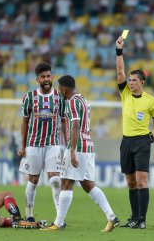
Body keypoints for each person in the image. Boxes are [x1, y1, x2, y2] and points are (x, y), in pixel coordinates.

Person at [42, 75, 119, 232]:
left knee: (66, 182)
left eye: (59, 88)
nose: (59, 91)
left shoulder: (71, 102)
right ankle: (111, 217)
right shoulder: (84, 100)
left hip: (78, 147)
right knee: (87, 184)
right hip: (88, 145)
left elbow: (75, 125)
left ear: (64, 89)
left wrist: (72, 150)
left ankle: (58, 223)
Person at [115, 36, 154, 229]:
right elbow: (120, 70)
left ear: (142, 82)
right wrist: (119, 51)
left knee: (142, 180)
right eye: (130, 80)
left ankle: (142, 220)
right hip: (126, 142)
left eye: (134, 80)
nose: (130, 82)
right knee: (130, 182)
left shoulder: (151, 101)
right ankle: (134, 218)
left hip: (143, 142)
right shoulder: (125, 93)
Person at [17, 62, 65, 222]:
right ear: (37, 79)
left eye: (48, 76)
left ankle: (60, 217)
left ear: (52, 77)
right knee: (33, 180)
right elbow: (24, 122)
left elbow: (64, 121)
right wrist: (22, 145)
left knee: (56, 180)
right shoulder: (29, 97)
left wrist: (67, 144)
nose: (46, 79)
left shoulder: (59, 97)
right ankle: (29, 214)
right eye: (43, 77)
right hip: (33, 145)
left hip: (53, 144)